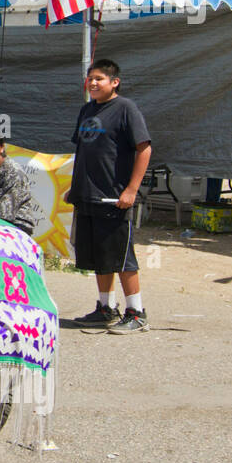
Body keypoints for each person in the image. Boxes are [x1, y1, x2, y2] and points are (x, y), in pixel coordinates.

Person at [67, 58, 153, 334]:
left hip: (113, 198)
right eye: (90, 78)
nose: (92, 83)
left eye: (99, 79)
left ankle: (136, 312)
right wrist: (75, 186)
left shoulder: (126, 109)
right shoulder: (86, 110)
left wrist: (130, 190)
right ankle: (106, 308)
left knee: (121, 257)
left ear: (114, 82)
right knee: (98, 256)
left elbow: (144, 148)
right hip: (87, 196)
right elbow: (83, 152)